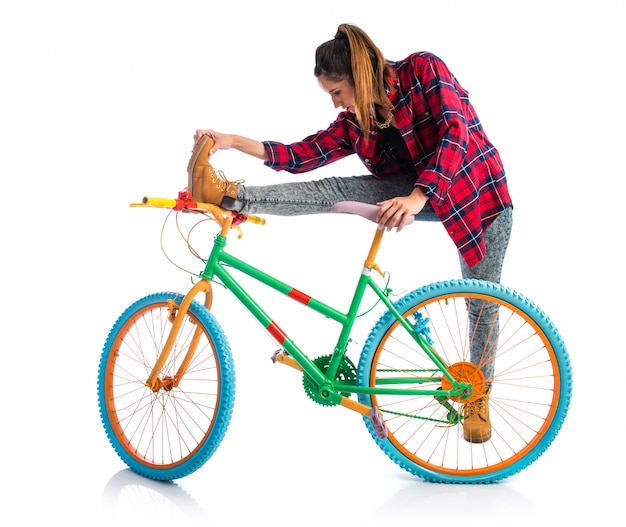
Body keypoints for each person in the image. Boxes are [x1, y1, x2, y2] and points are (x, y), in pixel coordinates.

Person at [188, 23, 513, 443]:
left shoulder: (423, 70)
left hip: (478, 198)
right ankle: (233, 196)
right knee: (333, 188)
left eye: (337, 92)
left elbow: (457, 132)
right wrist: (232, 140)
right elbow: (299, 154)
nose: (336, 103)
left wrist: (417, 197)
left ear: (359, 78)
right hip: (413, 192)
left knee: (482, 303)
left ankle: (476, 397)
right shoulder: (356, 123)